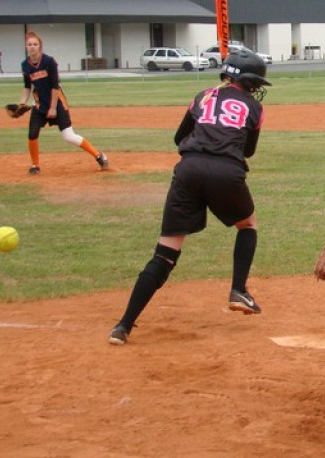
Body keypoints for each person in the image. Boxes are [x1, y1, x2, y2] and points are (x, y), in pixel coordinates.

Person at [108, 49, 271, 345]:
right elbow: (247, 151)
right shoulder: (254, 108)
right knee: (247, 225)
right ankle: (238, 290)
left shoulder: (202, 96)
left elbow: (178, 138)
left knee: (165, 253)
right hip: (226, 172)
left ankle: (123, 325)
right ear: (248, 82)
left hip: (188, 170)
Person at [18, 31, 108, 174]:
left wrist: (53, 108)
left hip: (57, 103)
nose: (32, 47)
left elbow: (55, 86)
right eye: (29, 44)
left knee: (68, 136)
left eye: (35, 44)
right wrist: (21, 104)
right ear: (26, 47)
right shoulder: (25, 65)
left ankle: (99, 156)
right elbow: (27, 87)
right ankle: (35, 166)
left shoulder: (49, 62)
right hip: (40, 105)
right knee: (32, 134)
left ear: (40, 46)